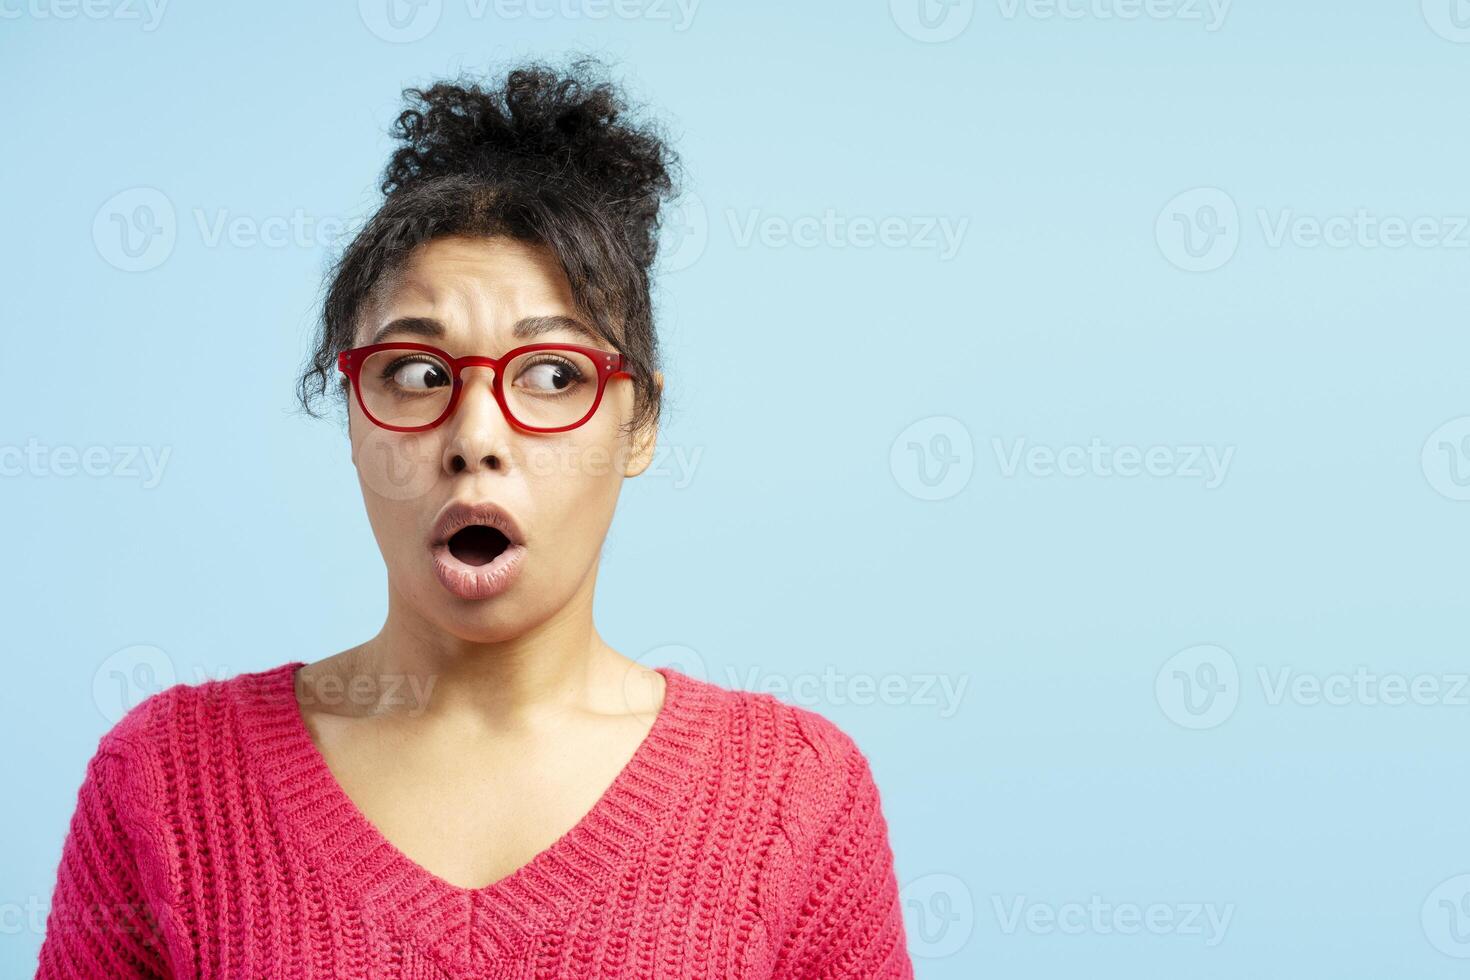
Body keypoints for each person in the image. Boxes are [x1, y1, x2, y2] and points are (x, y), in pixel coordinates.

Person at [37, 57, 914, 978]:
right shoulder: (166, 780)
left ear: (640, 423)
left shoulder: (794, 792)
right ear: (351, 415)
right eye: (417, 376)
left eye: (552, 376)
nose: (475, 438)